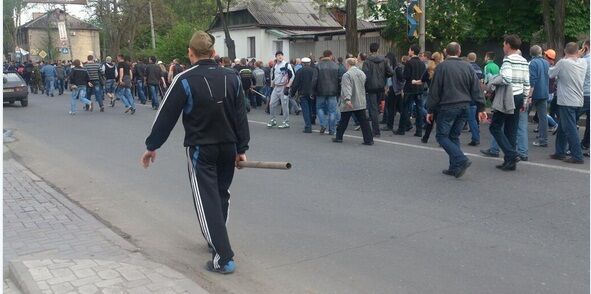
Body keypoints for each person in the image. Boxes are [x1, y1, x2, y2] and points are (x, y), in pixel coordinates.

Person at [141, 31, 250, 274]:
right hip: (228, 146)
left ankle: (223, 258)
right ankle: (216, 239)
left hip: (202, 149)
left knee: (207, 198)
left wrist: (152, 146)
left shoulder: (184, 79)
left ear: (190, 54)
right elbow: (240, 116)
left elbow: (166, 115)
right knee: (220, 194)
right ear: (213, 53)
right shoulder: (231, 77)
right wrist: (241, 148)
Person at [427, 42, 487, 178]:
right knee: (454, 136)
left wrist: (430, 109)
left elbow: (434, 90)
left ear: (447, 53)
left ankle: (460, 159)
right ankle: (454, 167)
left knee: (441, 136)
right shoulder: (468, 67)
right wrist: (481, 107)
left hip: (448, 106)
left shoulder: (441, 67)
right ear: (459, 52)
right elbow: (476, 88)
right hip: (465, 106)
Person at [489, 35, 530, 171]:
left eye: (503, 44)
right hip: (518, 97)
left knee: (495, 126)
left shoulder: (507, 60)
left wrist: (494, 80)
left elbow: (505, 79)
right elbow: (527, 83)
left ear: (508, 45)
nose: (503, 46)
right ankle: (510, 163)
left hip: (508, 97)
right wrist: (524, 100)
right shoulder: (524, 61)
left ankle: (511, 155)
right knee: (511, 129)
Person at [549, 42, 588, 164]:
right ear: (577, 51)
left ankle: (577, 155)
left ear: (565, 51)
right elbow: (578, 57)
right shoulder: (583, 62)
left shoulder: (563, 62)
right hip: (578, 99)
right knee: (563, 126)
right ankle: (560, 152)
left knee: (569, 128)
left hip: (566, 100)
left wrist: (567, 55)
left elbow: (551, 73)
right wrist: (578, 53)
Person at [332, 58, 374, 145]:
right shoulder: (362, 73)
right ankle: (369, 139)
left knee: (343, 120)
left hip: (350, 101)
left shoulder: (347, 75)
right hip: (360, 100)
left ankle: (339, 137)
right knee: (364, 122)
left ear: (348, 64)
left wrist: (347, 99)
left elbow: (347, 88)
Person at [362, 43, 393, 138]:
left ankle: (376, 131)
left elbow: (364, 75)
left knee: (373, 109)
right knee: (377, 108)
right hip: (381, 87)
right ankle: (376, 130)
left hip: (370, 87)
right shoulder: (384, 60)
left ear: (370, 50)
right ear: (378, 49)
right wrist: (384, 77)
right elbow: (391, 72)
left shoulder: (367, 61)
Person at [395, 44, 426, 136]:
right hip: (420, 88)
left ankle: (401, 129)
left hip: (409, 89)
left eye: (409, 50)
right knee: (419, 109)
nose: (408, 52)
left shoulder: (409, 63)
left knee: (405, 109)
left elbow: (406, 76)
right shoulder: (422, 63)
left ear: (412, 51)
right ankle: (419, 131)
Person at [529, 45, 551, 147]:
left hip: (534, 93)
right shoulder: (546, 63)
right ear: (540, 52)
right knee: (543, 117)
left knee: (522, 115)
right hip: (544, 92)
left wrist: (529, 96)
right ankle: (543, 140)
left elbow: (532, 80)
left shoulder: (533, 63)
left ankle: (517, 138)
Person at [315, 50, 341, 135]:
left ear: (323, 55)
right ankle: (332, 130)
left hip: (320, 90)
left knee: (319, 108)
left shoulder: (318, 65)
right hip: (333, 91)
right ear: (331, 55)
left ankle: (323, 124)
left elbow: (314, 80)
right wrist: (339, 91)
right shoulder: (336, 66)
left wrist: (312, 91)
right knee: (332, 111)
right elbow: (339, 80)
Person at [290, 57, 318, 133]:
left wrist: (292, 93)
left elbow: (295, 84)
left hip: (302, 93)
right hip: (312, 93)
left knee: (305, 110)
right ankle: (312, 120)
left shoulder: (299, 71)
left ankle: (308, 127)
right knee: (311, 108)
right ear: (309, 63)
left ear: (302, 63)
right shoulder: (313, 71)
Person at [267, 51, 294, 129]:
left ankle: (286, 122)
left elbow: (292, 76)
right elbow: (273, 77)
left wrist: (288, 86)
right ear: (276, 57)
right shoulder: (275, 66)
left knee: (284, 106)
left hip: (283, 87)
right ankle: (273, 120)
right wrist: (271, 87)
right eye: (278, 55)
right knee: (271, 104)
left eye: (281, 55)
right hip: (276, 87)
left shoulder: (286, 65)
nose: (280, 56)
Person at [581, 40, 590, 155]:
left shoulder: (584, 61)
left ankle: (570, 148)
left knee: (571, 119)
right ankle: (586, 142)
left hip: (585, 94)